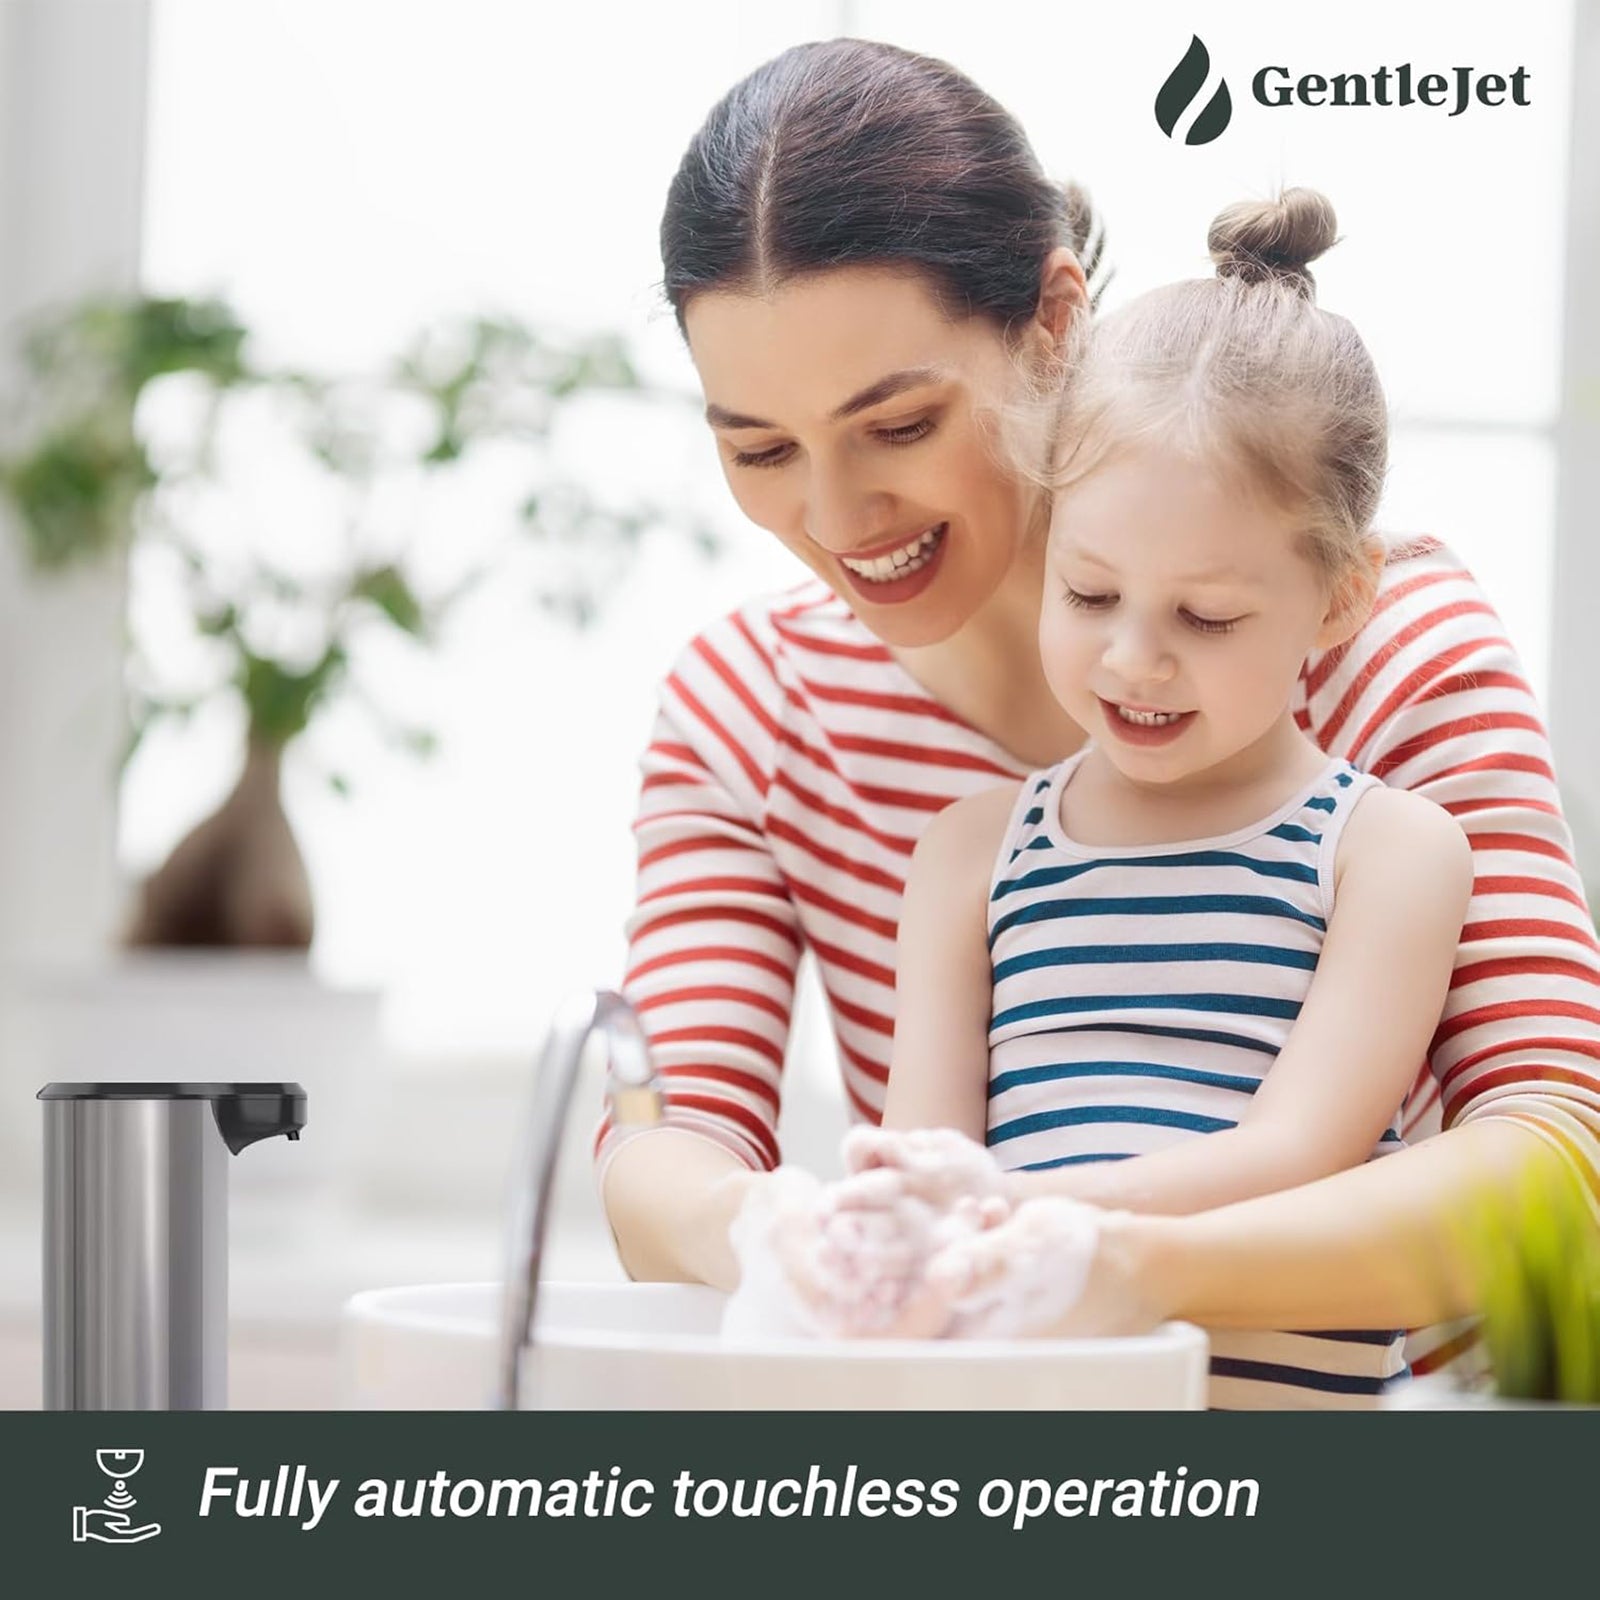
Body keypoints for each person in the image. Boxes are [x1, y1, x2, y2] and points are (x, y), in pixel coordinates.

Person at [596, 38, 1600, 1362]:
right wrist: (766, 1230)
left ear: (1054, 318)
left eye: (898, 425)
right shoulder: (756, 708)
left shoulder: (1388, 645)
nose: (836, 518)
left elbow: (1553, 1167)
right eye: (762, 449)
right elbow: (668, 1134)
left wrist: (1134, 1264)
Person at [797, 188, 1471, 1405]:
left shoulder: (1388, 851)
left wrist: (1031, 1213)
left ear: (1340, 598)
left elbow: (1299, 1150)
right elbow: (928, 1156)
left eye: (1206, 617)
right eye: (1091, 593)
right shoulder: (970, 852)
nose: (1133, 660)